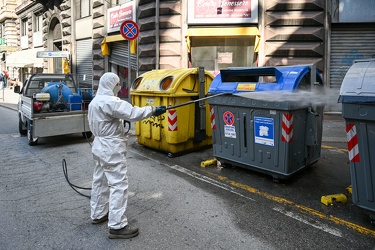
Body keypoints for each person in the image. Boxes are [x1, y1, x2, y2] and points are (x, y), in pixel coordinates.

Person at [88, 72, 166, 239]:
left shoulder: (95, 101)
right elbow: (133, 113)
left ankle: (98, 213)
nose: (119, 87)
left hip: (99, 145)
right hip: (110, 147)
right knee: (118, 184)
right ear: (111, 85)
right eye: (118, 84)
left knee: (100, 180)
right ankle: (117, 225)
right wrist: (154, 110)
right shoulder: (110, 101)